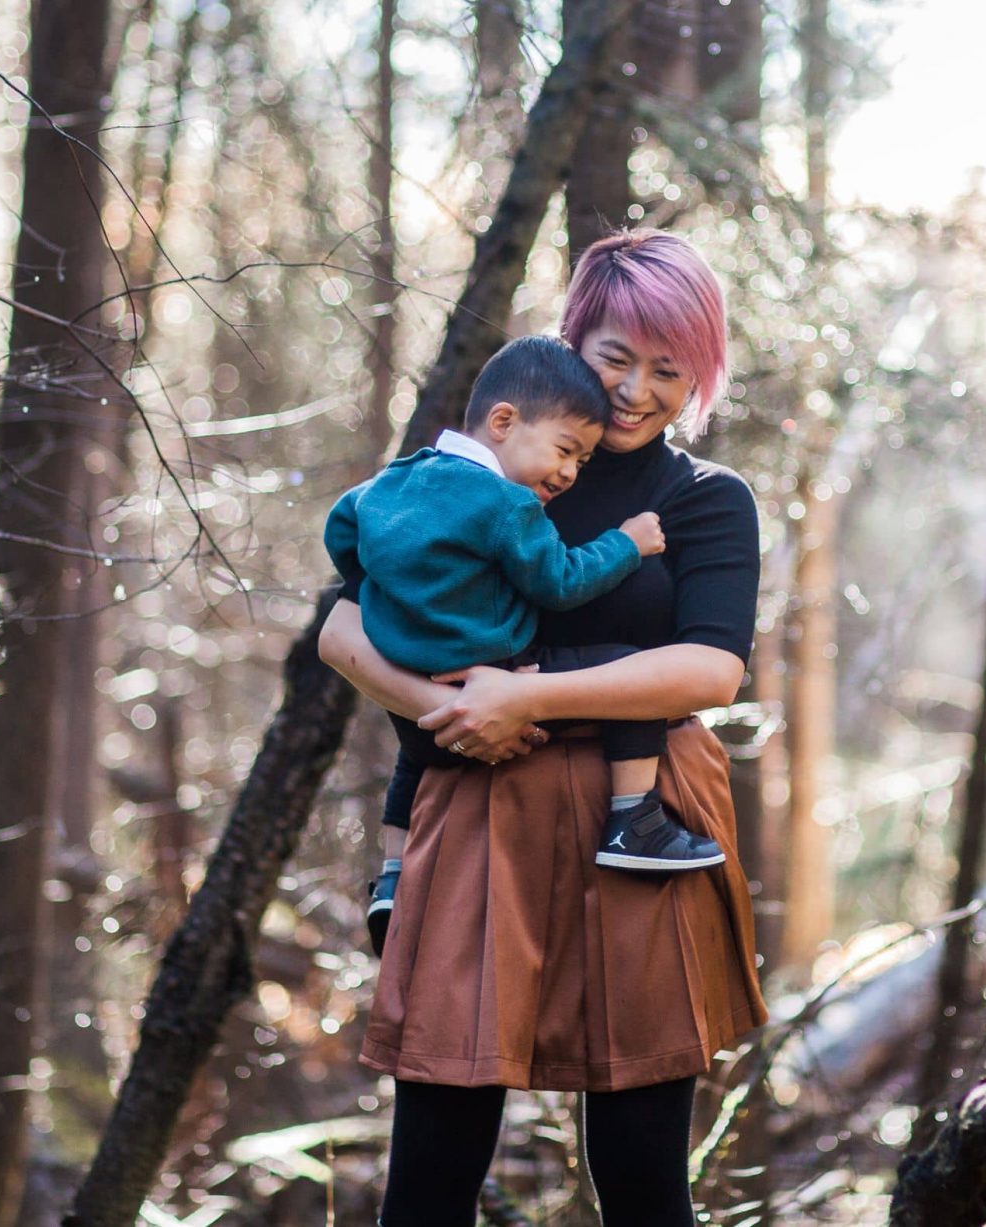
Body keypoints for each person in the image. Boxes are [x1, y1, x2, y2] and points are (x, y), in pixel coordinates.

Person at [317, 230, 767, 1227]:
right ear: (573, 340)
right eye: (615, 358)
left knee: (642, 1164)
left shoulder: (703, 500)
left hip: (645, 821)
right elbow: (340, 629)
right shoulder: (477, 473)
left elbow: (711, 666)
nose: (637, 391)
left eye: (668, 369)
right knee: (436, 1147)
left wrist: (525, 696)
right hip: (477, 803)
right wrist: (447, 707)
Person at [325, 333, 729, 956]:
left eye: (666, 369)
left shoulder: (402, 478)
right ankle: (634, 819)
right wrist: (627, 545)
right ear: (504, 422)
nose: (567, 474)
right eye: (616, 359)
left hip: (426, 700)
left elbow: (343, 528)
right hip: (497, 676)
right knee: (629, 669)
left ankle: (393, 874)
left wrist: (400, 595)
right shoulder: (513, 504)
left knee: (414, 759)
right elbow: (560, 582)